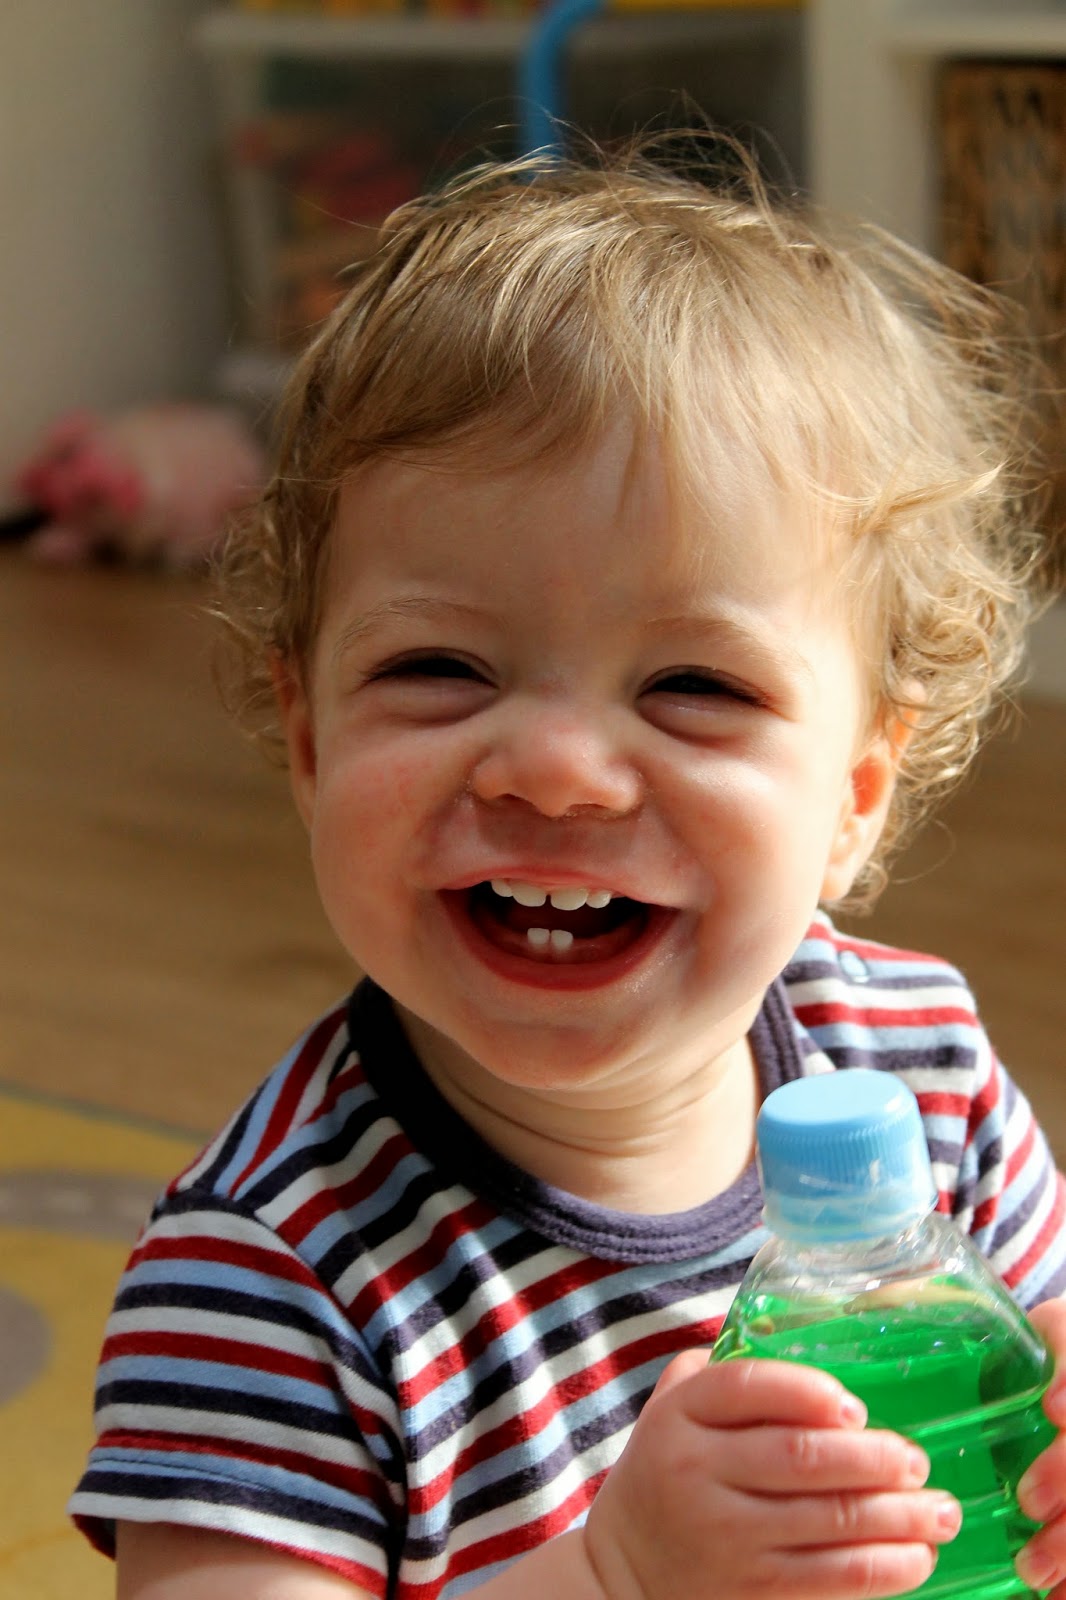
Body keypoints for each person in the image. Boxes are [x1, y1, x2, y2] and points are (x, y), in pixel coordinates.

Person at [70, 138, 1066, 1600]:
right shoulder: (267, 1275)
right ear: (310, 740)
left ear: (856, 794)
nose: (552, 769)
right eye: (438, 666)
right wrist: (613, 1576)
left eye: (693, 686)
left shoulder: (925, 1073)